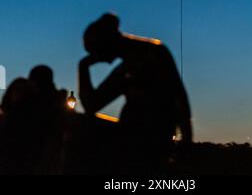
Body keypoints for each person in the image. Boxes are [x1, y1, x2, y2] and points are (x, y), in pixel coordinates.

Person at [79, 13, 192, 150]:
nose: (94, 56)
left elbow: (179, 95)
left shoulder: (153, 54)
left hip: (151, 138)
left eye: (94, 50)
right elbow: (91, 105)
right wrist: (83, 67)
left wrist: (187, 140)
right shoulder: (124, 68)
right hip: (134, 135)